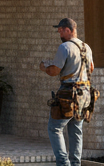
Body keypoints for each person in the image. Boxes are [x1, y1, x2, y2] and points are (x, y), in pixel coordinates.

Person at [40, 17, 94, 166]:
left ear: (68, 30)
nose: (59, 34)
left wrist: (44, 67)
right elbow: (91, 68)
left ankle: (63, 163)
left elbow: (54, 71)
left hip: (68, 94)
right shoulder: (86, 47)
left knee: (54, 128)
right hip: (84, 94)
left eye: (61, 31)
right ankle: (75, 163)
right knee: (76, 130)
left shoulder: (64, 47)